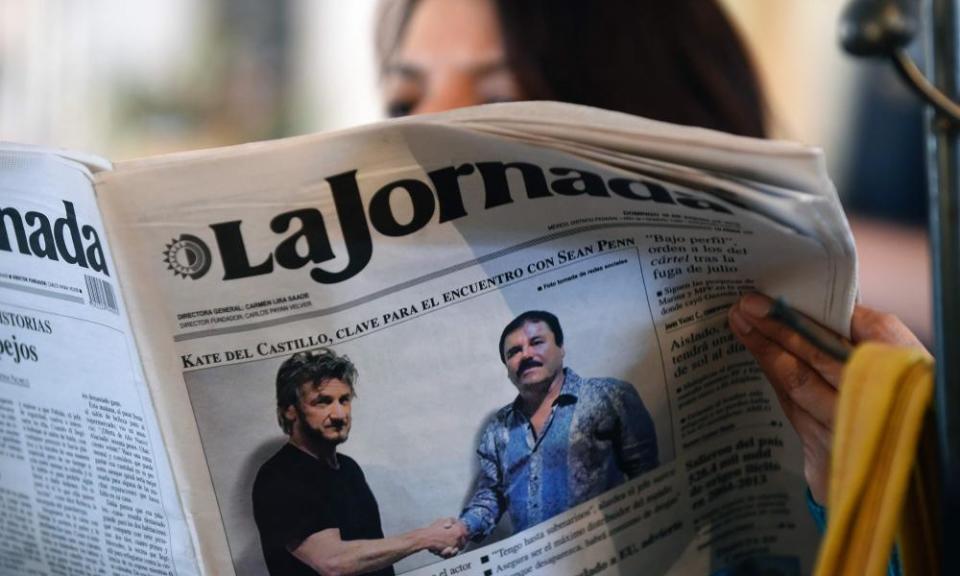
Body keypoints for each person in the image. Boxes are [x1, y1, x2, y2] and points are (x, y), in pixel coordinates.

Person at [374, 0, 930, 514]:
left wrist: (874, 505)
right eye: (403, 102)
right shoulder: (487, 430)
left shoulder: (618, 400)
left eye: (499, 100)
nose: (419, 141)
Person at [450, 310, 658, 542]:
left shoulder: (611, 396)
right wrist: (462, 529)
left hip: (603, 551)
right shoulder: (497, 428)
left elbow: (648, 477)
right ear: (507, 368)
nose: (526, 354)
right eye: (514, 352)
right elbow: (491, 496)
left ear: (561, 348)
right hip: (533, 561)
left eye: (536, 342)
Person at [252, 349, 463, 576]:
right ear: (289, 411)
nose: (339, 414)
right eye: (323, 402)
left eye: (344, 400)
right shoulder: (278, 477)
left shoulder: (348, 468)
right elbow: (333, 562)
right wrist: (425, 537)